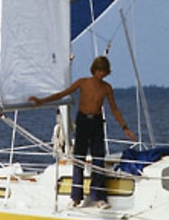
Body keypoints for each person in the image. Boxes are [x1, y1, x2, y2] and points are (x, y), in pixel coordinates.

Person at [29, 56, 135, 208]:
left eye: (104, 71)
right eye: (99, 70)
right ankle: (76, 197)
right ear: (94, 70)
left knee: (98, 159)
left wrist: (125, 127)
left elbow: (114, 109)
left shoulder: (106, 88)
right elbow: (61, 94)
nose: (101, 74)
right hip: (83, 121)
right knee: (79, 158)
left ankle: (98, 197)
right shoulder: (83, 82)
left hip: (97, 122)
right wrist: (41, 101)